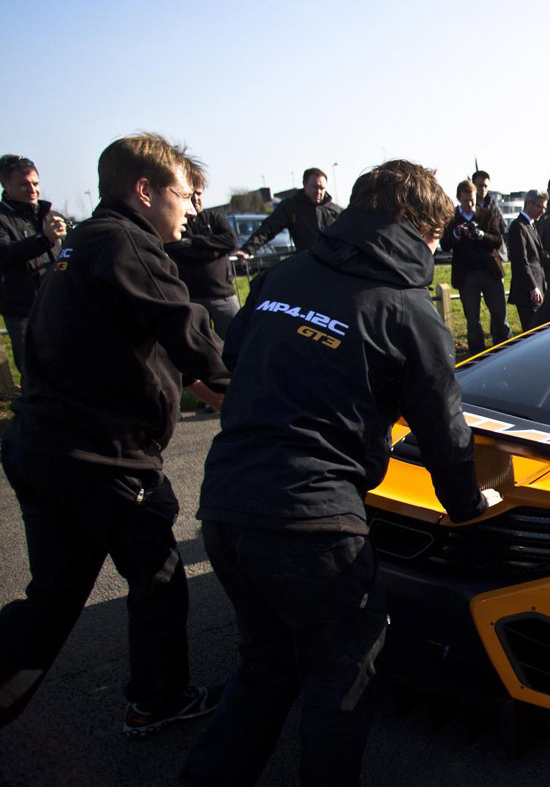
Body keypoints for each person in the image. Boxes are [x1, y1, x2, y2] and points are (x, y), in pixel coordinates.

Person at [183, 160, 491, 785]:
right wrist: (468, 507)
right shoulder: (407, 308)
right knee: (342, 672)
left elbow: (238, 358)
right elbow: (445, 433)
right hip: (312, 519)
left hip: (226, 503)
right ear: (419, 228)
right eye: (435, 236)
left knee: (267, 664)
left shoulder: (284, 273)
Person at [0, 133, 229, 735]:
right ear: (145, 190)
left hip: (43, 444)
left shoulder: (83, 242)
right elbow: (194, 341)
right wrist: (263, 386)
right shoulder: (130, 243)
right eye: (183, 195)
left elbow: (156, 357)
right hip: (102, 458)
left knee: (51, 600)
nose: (190, 209)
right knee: (156, 574)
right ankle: (159, 698)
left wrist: (207, 387)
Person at [0, 155, 65, 376]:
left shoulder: (50, 216)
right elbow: (4, 254)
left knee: (65, 366)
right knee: (33, 371)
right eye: (24, 184)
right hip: (21, 309)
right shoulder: (1, 218)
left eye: (35, 183)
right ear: (5, 185)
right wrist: (44, 240)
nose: (32, 190)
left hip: (56, 305)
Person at [164, 170, 240, 335]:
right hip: (193, 297)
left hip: (223, 295)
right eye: (190, 195)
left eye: (198, 194)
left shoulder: (215, 218)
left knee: (236, 341)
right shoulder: (179, 222)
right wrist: (214, 251)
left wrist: (195, 242)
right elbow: (175, 248)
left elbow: (231, 241)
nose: (195, 199)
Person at [441, 179, 509, 356]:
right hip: (467, 276)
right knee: (472, 320)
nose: (470, 204)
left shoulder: (487, 214)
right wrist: (456, 233)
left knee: (500, 317)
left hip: (490, 273)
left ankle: (504, 352)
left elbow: (498, 239)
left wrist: (481, 235)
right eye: (465, 201)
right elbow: (445, 244)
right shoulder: (452, 219)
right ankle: (477, 356)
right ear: (458, 198)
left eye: (472, 200)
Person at [235, 167, 340, 259]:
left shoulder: (334, 210)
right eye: (314, 187)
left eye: (322, 188)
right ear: (304, 184)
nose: (318, 192)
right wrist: (247, 250)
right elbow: (269, 228)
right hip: (308, 266)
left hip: (335, 265)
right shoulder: (292, 206)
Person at [507, 190, 547, 330]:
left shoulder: (531, 225)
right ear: (529, 203)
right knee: (532, 331)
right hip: (528, 292)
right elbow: (521, 261)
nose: (542, 211)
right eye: (540, 207)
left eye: (544, 208)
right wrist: (532, 287)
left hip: (537, 288)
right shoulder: (518, 227)